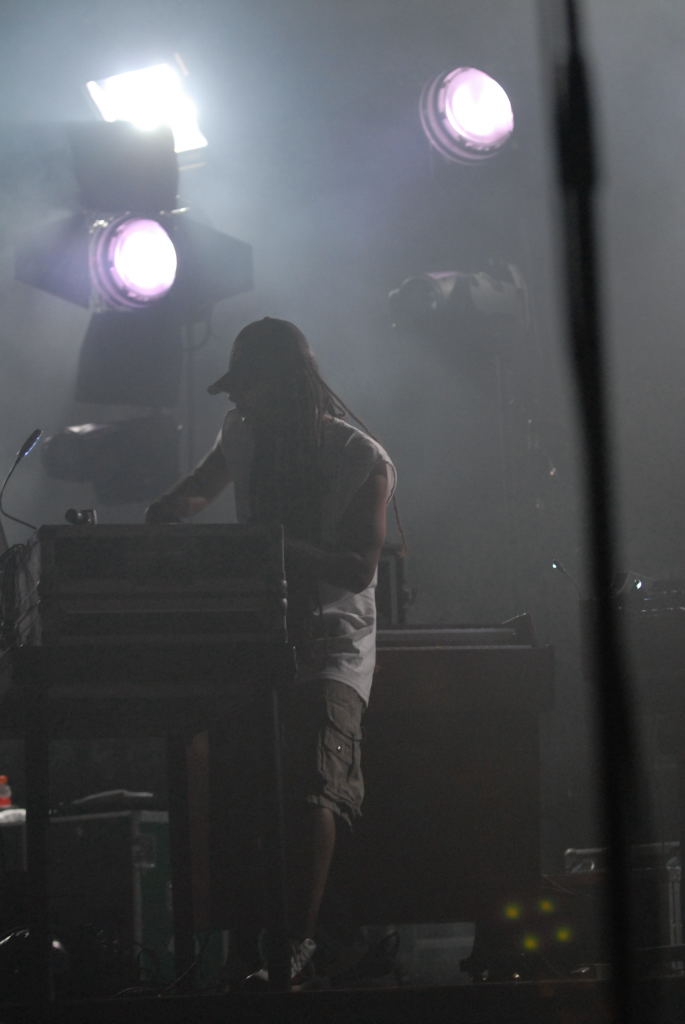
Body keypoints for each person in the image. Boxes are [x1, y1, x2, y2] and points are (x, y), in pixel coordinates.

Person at [145, 317, 397, 986]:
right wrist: (165, 512)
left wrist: (273, 548)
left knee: (313, 788)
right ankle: (254, 947)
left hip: (329, 646)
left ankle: (295, 946)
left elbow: (358, 568)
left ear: (282, 383)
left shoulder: (359, 457)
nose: (235, 398)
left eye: (245, 385)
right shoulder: (242, 433)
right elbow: (200, 488)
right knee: (245, 791)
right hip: (256, 638)